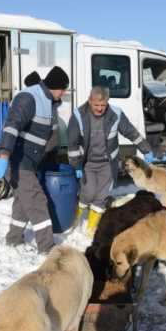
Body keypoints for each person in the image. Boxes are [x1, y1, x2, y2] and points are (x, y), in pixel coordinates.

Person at [0, 66, 69, 254]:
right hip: (17, 160)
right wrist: (4, 157)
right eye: (64, 89)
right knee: (36, 201)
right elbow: (11, 127)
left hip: (29, 161)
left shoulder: (48, 101)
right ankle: (47, 247)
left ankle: (13, 238)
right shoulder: (29, 98)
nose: (65, 93)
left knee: (22, 201)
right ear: (56, 87)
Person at [68, 86, 155, 236]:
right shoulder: (78, 115)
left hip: (107, 163)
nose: (100, 109)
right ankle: (75, 219)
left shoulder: (115, 114)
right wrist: (76, 165)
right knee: (87, 193)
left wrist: (146, 148)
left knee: (102, 196)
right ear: (90, 101)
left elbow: (130, 132)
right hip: (87, 162)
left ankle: (91, 228)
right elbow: (72, 143)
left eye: (103, 105)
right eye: (96, 105)